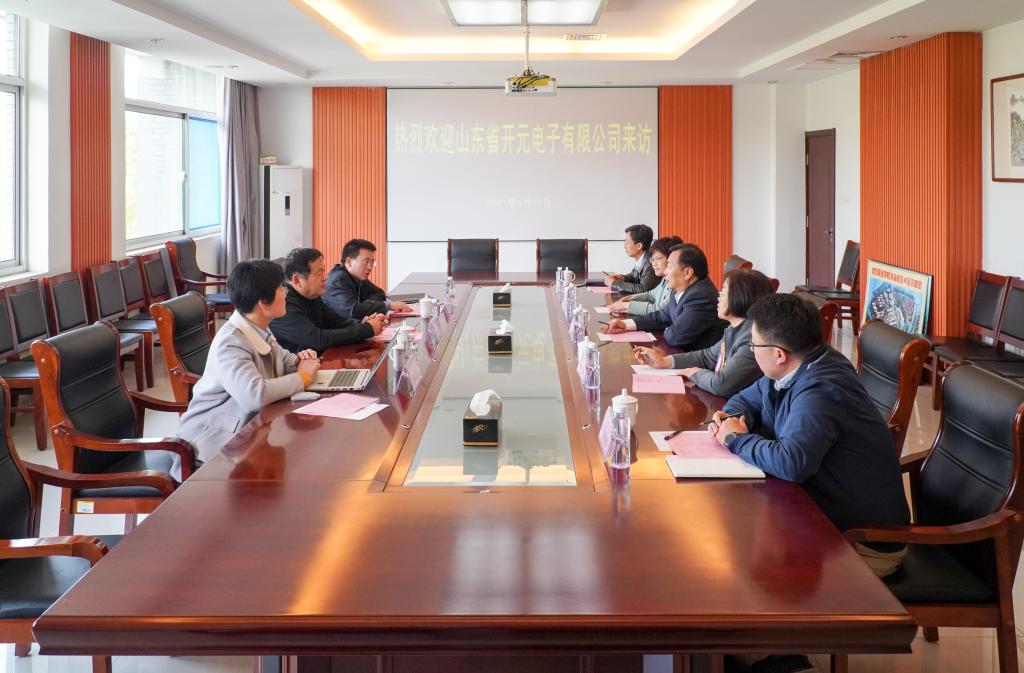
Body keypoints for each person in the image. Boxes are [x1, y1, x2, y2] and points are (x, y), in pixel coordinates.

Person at [709, 293, 910, 673]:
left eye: (753, 346)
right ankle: (750, 650)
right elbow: (745, 398)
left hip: (862, 540)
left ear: (779, 354)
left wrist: (735, 439)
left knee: (733, 556)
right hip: (821, 512)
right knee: (733, 538)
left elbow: (791, 463)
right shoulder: (798, 365)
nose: (750, 351)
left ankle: (781, 657)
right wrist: (733, 416)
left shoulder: (822, 389)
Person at [177, 259, 322, 464]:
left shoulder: (257, 326)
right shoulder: (231, 343)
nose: (286, 293)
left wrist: (299, 360)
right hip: (214, 442)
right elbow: (254, 395)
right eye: (281, 288)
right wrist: (303, 377)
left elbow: (282, 359)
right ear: (263, 303)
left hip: (250, 430)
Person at [632, 268, 773, 397]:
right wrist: (665, 361)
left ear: (741, 297)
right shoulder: (735, 328)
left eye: (724, 293)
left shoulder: (753, 339)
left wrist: (695, 373)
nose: (718, 297)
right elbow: (707, 357)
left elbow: (721, 384)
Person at [603, 243, 726, 350]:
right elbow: (660, 317)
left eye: (670, 266)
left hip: (698, 363)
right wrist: (625, 324)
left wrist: (668, 328)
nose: (666, 271)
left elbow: (675, 337)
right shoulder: (681, 289)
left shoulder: (700, 296)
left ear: (688, 272)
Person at [270, 247, 388, 354]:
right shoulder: (283, 302)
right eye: (319, 273)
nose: (325, 277)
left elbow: (335, 322)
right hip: (295, 367)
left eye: (324, 271)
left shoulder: (312, 295)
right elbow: (317, 339)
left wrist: (363, 323)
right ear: (297, 280)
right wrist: (367, 329)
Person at [324, 239, 412, 318]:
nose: (370, 268)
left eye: (372, 262)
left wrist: (366, 305)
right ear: (349, 262)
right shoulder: (338, 280)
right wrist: (388, 306)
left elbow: (379, 293)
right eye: (366, 262)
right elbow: (353, 311)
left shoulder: (357, 277)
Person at [607, 236, 682, 316]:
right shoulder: (665, 279)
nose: (654, 264)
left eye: (658, 258)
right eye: (652, 260)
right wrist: (631, 298)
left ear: (671, 258)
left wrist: (627, 305)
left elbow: (659, 310)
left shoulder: (675, 283)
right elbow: (651, 295)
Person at [603, 224, 659, 293]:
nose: (624, 246)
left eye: (627, 242)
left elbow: (642, 289)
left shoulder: (651, 263)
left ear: (639, 246)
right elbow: (634, 276)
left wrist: (614, 283)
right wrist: (623, 278)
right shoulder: (643, 258)